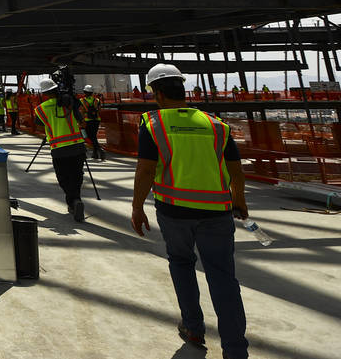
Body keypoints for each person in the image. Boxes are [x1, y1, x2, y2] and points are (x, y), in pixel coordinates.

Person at [130, 62, 249, 359]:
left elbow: (145, 171)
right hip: (217, 212)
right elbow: (236, 169)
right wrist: (240, 200)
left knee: (182, 264)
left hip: (174, 211)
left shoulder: (154, 124)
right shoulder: (216, 125)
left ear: (156, 93)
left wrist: (137, 207)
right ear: (182, 88)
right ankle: (235, 350)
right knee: (223, 277)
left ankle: (194, 327)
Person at [34, 77, 86, 221]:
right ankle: (76, 200)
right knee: (77, 175)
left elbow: (38, 127)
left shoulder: (41, 109)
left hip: (59, 149)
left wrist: (51, 127)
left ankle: (73, 202)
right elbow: (82, 123)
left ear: (44, 94)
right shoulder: (69, 103)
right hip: (77, 146)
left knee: (63, 177)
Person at [82, 84, 104, 161]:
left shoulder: (82, 101)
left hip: (88, 121)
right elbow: (100, 110)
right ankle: (95, 154)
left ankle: (99, 149)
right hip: (97, 120)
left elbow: (81, 111)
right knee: (94, 136)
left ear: (85, 92)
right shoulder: (97, 100)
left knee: (90, 136)